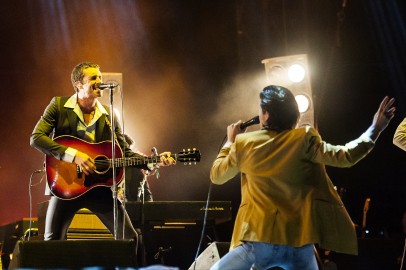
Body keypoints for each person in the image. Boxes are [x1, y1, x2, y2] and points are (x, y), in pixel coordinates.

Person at [210, 85, 395, 270]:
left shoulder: (244, 143)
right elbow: (345, 156)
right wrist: (375, 128)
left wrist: (230, 142)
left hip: (259, 242)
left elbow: (217, 175)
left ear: (265, 115)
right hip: (298, 242)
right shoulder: (305, 138)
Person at [30, 62, 175, 245]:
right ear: (78, 85)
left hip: (99, 189)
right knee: (52, 242)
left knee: (130, 239)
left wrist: (153, 161)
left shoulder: (108, 114)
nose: (100, 81)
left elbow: (125, 153)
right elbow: (36, 138)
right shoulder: (58, 106)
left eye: (100, 77)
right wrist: (74, 156)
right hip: (65, 185)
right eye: (93, 78)